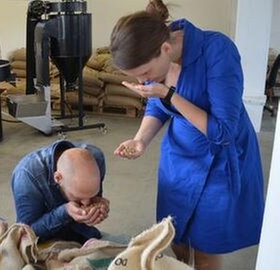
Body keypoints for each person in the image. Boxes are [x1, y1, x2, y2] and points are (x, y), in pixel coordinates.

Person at [109, 1, 264, 269]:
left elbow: (223, 131)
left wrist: (168, 94)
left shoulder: (217, 51)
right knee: (175, 237)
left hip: (219, 157)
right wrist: (140, 140)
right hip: (180, 156)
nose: (145, 81)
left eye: (145, 73)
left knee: (206, 248)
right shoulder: (160, 60)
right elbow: (157, 104)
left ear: (166, 49)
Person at [11, 140, 110, 244]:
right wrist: (64, 212)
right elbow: (25, 234)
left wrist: (97, 204)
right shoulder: (26, 175)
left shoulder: (95, 158)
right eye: (78, 197)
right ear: (57, 178)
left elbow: (90, 197)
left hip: (82, 234)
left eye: (91, 195)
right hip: (42, 243)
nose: (86, 203)